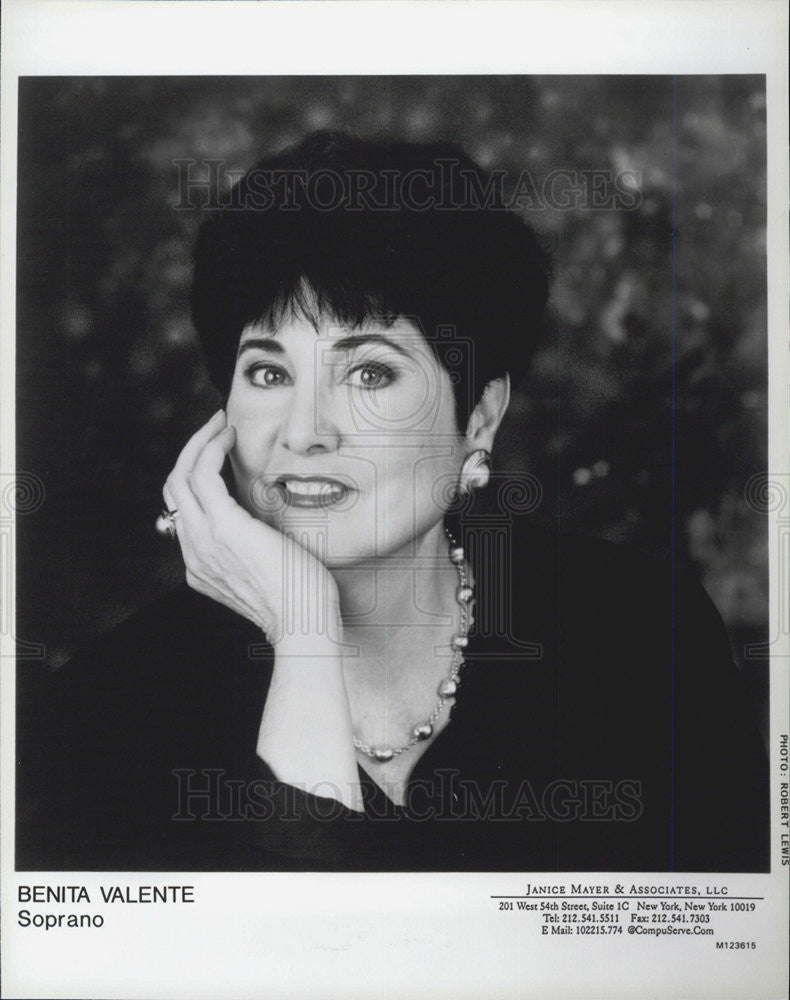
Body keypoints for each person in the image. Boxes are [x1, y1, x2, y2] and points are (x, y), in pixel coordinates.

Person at [17, 131, 768, 872]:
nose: (305, 432)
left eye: (371, 374)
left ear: (478, 418)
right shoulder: (104, 715)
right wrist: (303, 632)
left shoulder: (643, 633)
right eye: (269, 374)